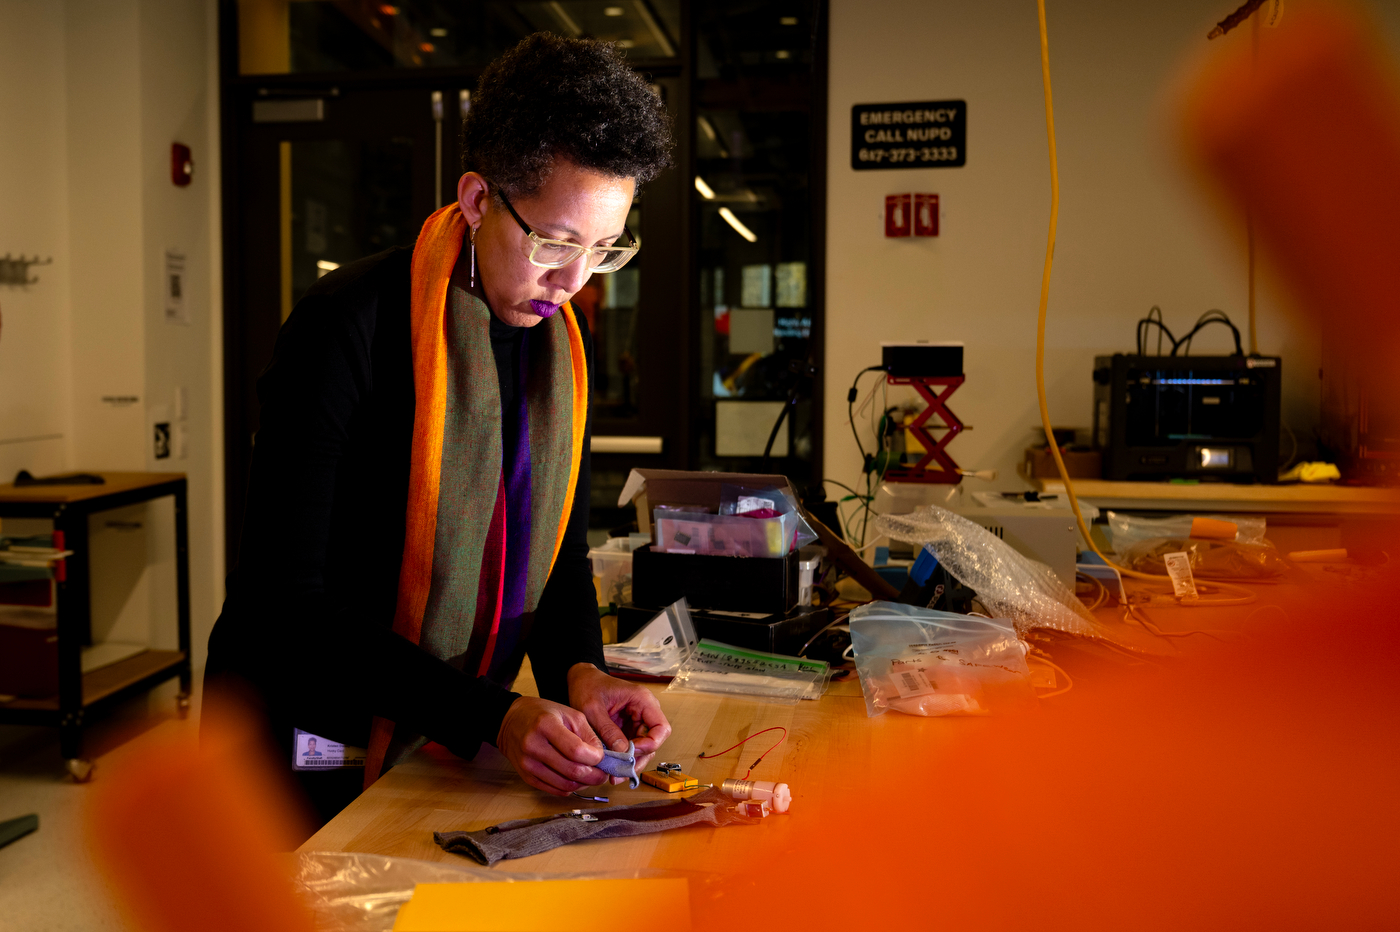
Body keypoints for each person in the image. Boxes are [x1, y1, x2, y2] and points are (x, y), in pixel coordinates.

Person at [204, 34, 675, 827]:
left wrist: (581, 671)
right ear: (479, 198)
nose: (573, 282)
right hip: (301, 731)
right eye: (555, 242)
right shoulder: (346, 327)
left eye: (603, 249)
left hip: (437, 726)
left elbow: (552, 549)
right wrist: (493, 714)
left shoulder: (561, 349)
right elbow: (288, 606)